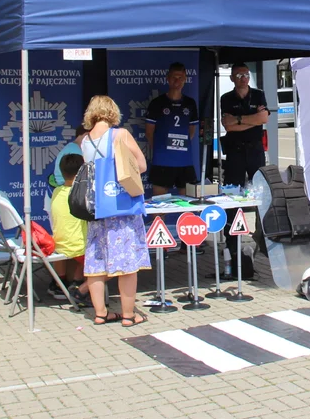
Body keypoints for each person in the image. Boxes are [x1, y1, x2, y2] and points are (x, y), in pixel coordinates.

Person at [79, 95, 151, 327]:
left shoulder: (84, 141)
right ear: (112, 111)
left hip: (97, 209)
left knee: (97, 263)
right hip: (122, 208)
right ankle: (129, 316)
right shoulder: (120, 135)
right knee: (127, 265)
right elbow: (141, 166)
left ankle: (101, 313)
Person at [145, 62, 199, 195]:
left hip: (184, 161)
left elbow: (192, 130)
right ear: (167, 78)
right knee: (159, 205)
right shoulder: (157, 103)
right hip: (162, 161)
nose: (177, 81)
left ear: (185, 80)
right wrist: (161, 149)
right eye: (174, 77)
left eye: (181, 78)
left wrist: (180, 145)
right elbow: (149, 132)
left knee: (189, 205)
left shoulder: (190, 103)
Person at [220, 63, 269, 187]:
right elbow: (229, 126)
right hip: (235, 150)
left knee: (260, 186)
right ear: (232, 78)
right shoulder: (226, 98)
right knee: (232, 188)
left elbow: (263, 118)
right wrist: (255, 120)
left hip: (255, 149)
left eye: (246, 74)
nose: (244, 78)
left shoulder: (258, 95)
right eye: (239, 75)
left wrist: (238, 119)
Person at [48, 153, 88, 304]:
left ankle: (60, 282)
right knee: (101, 256)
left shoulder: (57, 191)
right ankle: (78, 284)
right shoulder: (80, 194)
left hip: (58, 242)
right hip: (77, 246)